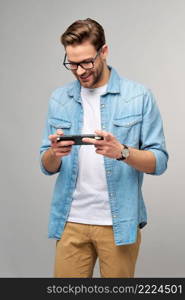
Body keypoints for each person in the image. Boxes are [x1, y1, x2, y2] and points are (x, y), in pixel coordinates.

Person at [39, 18, 168, 278]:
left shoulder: (139, 96)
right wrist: (55, 153)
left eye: (86, 62)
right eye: (72, 63)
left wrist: (122, 152)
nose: (79, 71)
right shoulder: (59, 99)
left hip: (118, 224)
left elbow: (159, 161)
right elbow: (46, 165)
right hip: (71, 221)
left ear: (104, 52)